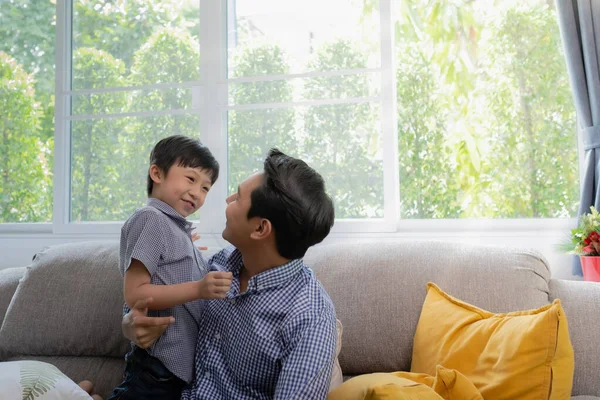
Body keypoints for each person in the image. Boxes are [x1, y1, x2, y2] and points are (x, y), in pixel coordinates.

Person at [123, 148, 338, 399]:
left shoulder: (310, 317)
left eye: (238, 198)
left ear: (260, 228)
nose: (227, 200)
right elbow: (156, 290)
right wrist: (130, 324)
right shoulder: (219, 264)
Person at [108, 135, 233, 400]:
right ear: (157, 173)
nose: (197, 193)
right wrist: (199, 288)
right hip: (155, 370)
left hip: (176, 374)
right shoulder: (150, 219)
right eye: (190, 179)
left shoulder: (176, 230)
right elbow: (135, 294)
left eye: (205, 188)